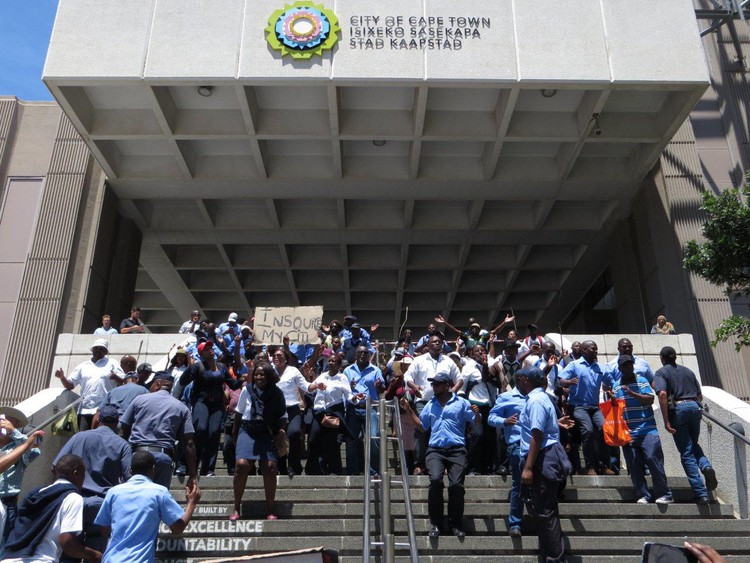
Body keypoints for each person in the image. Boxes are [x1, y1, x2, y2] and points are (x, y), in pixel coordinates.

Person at [401, 370, 481, 539]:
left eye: (437, 384)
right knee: (436, 481)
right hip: (436, 450)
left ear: (447, 385)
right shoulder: (430, 404)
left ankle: (455, 524)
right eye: (433, 384)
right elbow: (422, 427)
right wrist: (409, 410)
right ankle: (436, 523)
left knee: (456, 486)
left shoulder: (461, 403)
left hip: (457, 449)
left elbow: (476, 421)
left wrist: (476, 414)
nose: (433, 386)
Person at [94, 451, 201, 563]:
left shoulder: (113, 492)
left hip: (111, 559)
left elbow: (104, 529)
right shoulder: (159, 492)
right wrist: (191, 503)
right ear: (153, 469)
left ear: (130, 470)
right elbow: (178, 528)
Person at [54, 406, 131, 559]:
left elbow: (55, 466)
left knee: (69, 550)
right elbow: (129, 480)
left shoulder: (78, 437)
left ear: (97, 419)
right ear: (117, 423)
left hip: (73, 501)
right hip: (101, 506)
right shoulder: (123, 445)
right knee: (96, 555)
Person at [518, 367, 573, 563]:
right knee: (545, 511)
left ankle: (555, 559)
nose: (517, 382)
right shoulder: (541, 398)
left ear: (525, 379)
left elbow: (537, 434)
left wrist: (528, 467)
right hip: (546, 456)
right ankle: (550, 555)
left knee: (544, 512)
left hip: (542, 458)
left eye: (518, 379)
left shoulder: (535, 400)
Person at [1, 455, 100, 563]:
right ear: (76, 473)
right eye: (83, 474)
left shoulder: (36, 494)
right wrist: (93, 554)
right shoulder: (73, 498)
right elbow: (67, 542)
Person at [654, 346, 716, 504]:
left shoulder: (662, 373)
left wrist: (666, 420)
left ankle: (701, 493)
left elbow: (662, 394)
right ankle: (706, 466)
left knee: (686, 453)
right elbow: (699, 394)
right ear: (675, 357)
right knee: (692, 444)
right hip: (695, 407)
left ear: (662, 358)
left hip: (679, 410)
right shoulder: (688, 371)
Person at [609, 355, 673, 505]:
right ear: (620, 369)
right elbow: (616, 408)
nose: (629, 368)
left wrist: (633, 394)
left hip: (647, 429)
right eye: (625, 366)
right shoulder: (616, 386)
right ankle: (643, 494)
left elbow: (650, 399)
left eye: (630, 365)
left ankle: (664, 493)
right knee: (634, 464)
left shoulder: (641, 381)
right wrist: (612, 399)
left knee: (652, 458)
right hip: (628, 432)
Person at [120, 371, 197, 490]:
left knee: (134, 496)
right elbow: (189, 443)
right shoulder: (181, 407)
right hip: (163, 457)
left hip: (138, 456)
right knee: (158, 498)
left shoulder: (139, 400)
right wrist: (192, 475)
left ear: (157, 385)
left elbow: (123, 431)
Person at [230, 363, 287, 522]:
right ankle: (236, 506)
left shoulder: (277, 393)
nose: (259, 377)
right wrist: (234, 433)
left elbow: (283, 416)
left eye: (262, 374)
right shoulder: (246, 390)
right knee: (241, 465)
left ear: (268, 376)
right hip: (248, 430)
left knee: (269, 467)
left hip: (267, 432)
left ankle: (270, 509)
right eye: (256, 374)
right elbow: (239, 413)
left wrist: (281, 432)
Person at [403, 333, 463, 475]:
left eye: (439, 342)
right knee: (421, 431)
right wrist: (414, 386)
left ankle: (444, 465)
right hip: (423, 401)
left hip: (444, 402)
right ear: (428, 345)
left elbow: (460, 378)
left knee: (442, 430)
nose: (437, 344)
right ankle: (420, 465)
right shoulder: (419, 360)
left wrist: (452, 391)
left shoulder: (448, 361)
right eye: (434, 342)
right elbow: (407, 376)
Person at [180, 341, 239, 477]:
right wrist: (190, 367)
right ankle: (189, 463)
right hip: (202, 402)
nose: (210, 350)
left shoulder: (222, 367)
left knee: (214, 433)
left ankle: (208, 469)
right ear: (201, 354)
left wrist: (245, 378)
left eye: (210, 348)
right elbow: (183, 382)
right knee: (200, 429)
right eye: (206, 349)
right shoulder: (198, 367)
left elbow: (234, 384)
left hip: (217, 405)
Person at [559, 340, 615, 475]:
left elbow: (612, 382)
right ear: (583, 350)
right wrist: (569, 382)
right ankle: (589, 466)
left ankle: (603, 465)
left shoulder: (600, 367)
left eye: (596, 349)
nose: (595, 351)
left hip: (595, 407)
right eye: (592, 349)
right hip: (579, 406)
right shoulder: (574, 365)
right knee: (588, 431)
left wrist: (611, 390)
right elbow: (560, 380)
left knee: (605, 429)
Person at [55, 339, 124, 431]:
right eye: (96, 348)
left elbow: (123, 381)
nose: (98, 350)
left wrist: (116, 377)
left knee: (99, 438)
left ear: (105, 351)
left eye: (101, 349)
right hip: (85, 410)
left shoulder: (112, 363)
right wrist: (62, 377)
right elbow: (70, 386)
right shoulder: (83, 366)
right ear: (92, 350)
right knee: (84, 437)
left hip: (104, 409)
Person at [488, 380, 527, 537]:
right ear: (523, 381)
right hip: (517, 445)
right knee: (518, 483)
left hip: (538, 445)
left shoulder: (538, 397)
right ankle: (515, 523)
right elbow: (491, 418)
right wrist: (504, 421)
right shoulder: (506, 397)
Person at [0, 408, 42, 549]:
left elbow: (35, 451)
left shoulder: (19, 445)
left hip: (7, 502)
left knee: (4, 544)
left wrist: (15, 433)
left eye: (7, 423)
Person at [306, 354, 354, 475]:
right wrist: (310, 379)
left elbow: (348, 395)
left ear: (338, 365)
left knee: (332, 441)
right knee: (313, 439)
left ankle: (334, 469)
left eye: (334, 361)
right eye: (330, 360)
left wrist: (355, 399)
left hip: (333, 411)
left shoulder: (342, 378)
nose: (331, 363)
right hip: (319, 412)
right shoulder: (322, 375)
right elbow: (311, 388)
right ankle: (315, 468)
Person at [344, 345, 385, 476]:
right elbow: (343, 391)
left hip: (370, 407)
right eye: (360, 352)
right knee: (352, 439)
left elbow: (382, 390)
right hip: (353, 408)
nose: (362, 354)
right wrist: (349, 387)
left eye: (365, 352)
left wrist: (379, 386)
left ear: (368, 355)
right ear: (356, 355)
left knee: (373, 437)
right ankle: (353, 471)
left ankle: (374, 471)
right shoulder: (347, 371)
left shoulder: (375, 370)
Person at [460, 345, 498, 475]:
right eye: (477, 351)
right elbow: (462, 389)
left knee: (490, 437)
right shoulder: (468, 367)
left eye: (483, 350)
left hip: (491, 406)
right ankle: (474, 468)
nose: (480, 352)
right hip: (475, 406)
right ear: (471, 353)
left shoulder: (493, 365)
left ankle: (487, 467)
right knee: (477, 435)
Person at [272, 348, 309, 477]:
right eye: (274, 355)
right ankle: (281, 467)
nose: (276, 357)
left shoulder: (293, 371)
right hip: (276, 411)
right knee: (278, 437)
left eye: (280, 355)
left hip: (292, 409)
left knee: (294, 432)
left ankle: (294, 465)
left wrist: (316, 385)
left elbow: (306, 386)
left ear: (286, 358)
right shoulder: (270, 370)